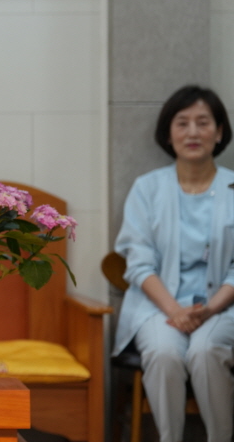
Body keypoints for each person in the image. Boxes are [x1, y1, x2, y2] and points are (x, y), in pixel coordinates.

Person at [113, 85, 234, 442]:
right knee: (164, 353)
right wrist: (176, 311)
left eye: (203, 123)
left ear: (219, 132)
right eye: (182, 123)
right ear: (168, 134)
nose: (193, 132)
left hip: (222, 307)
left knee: (206, 351)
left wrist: (210, 309)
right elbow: (139, 263)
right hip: (158, 307)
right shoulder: (147, 188)